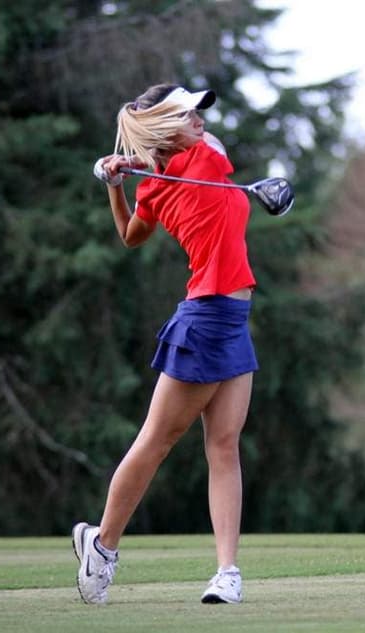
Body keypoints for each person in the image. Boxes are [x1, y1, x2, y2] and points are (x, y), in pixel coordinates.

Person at [74, 83, 257, 606]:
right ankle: (102, 546)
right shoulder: (160, 181)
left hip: (235, 317)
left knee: (224, 447)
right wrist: (118, 183)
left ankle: (226, 572)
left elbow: (199, 142)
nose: (200, 119)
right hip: (204, 317)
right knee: (155, 442)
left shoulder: (205, 155)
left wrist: (131, 158)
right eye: (187, 113)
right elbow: (133, 235)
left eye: (198, 111)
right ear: (164, 124)